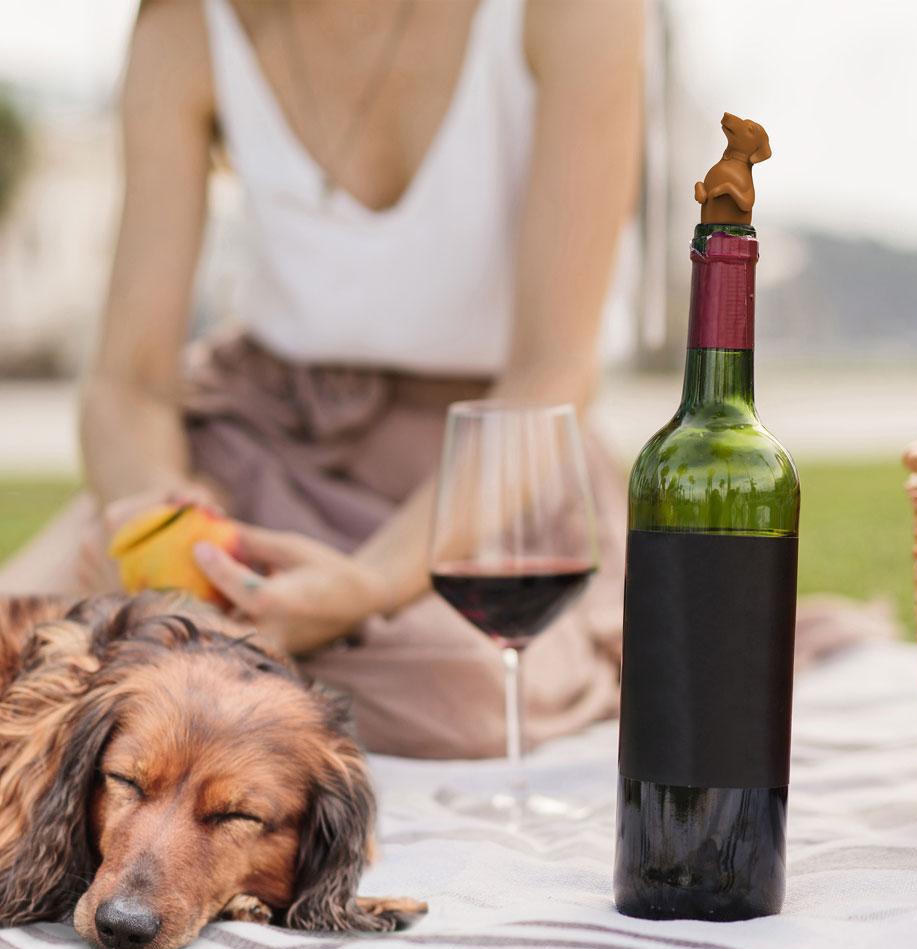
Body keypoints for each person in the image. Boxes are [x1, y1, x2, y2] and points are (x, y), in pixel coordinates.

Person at [0, 0, 642, 758]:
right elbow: (127, 382)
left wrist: (367, 586)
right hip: (254, 441)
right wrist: (166, 516)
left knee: (459, 703)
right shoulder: (184, 28)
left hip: (483, 470)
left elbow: (552, 371)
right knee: (24, 656)